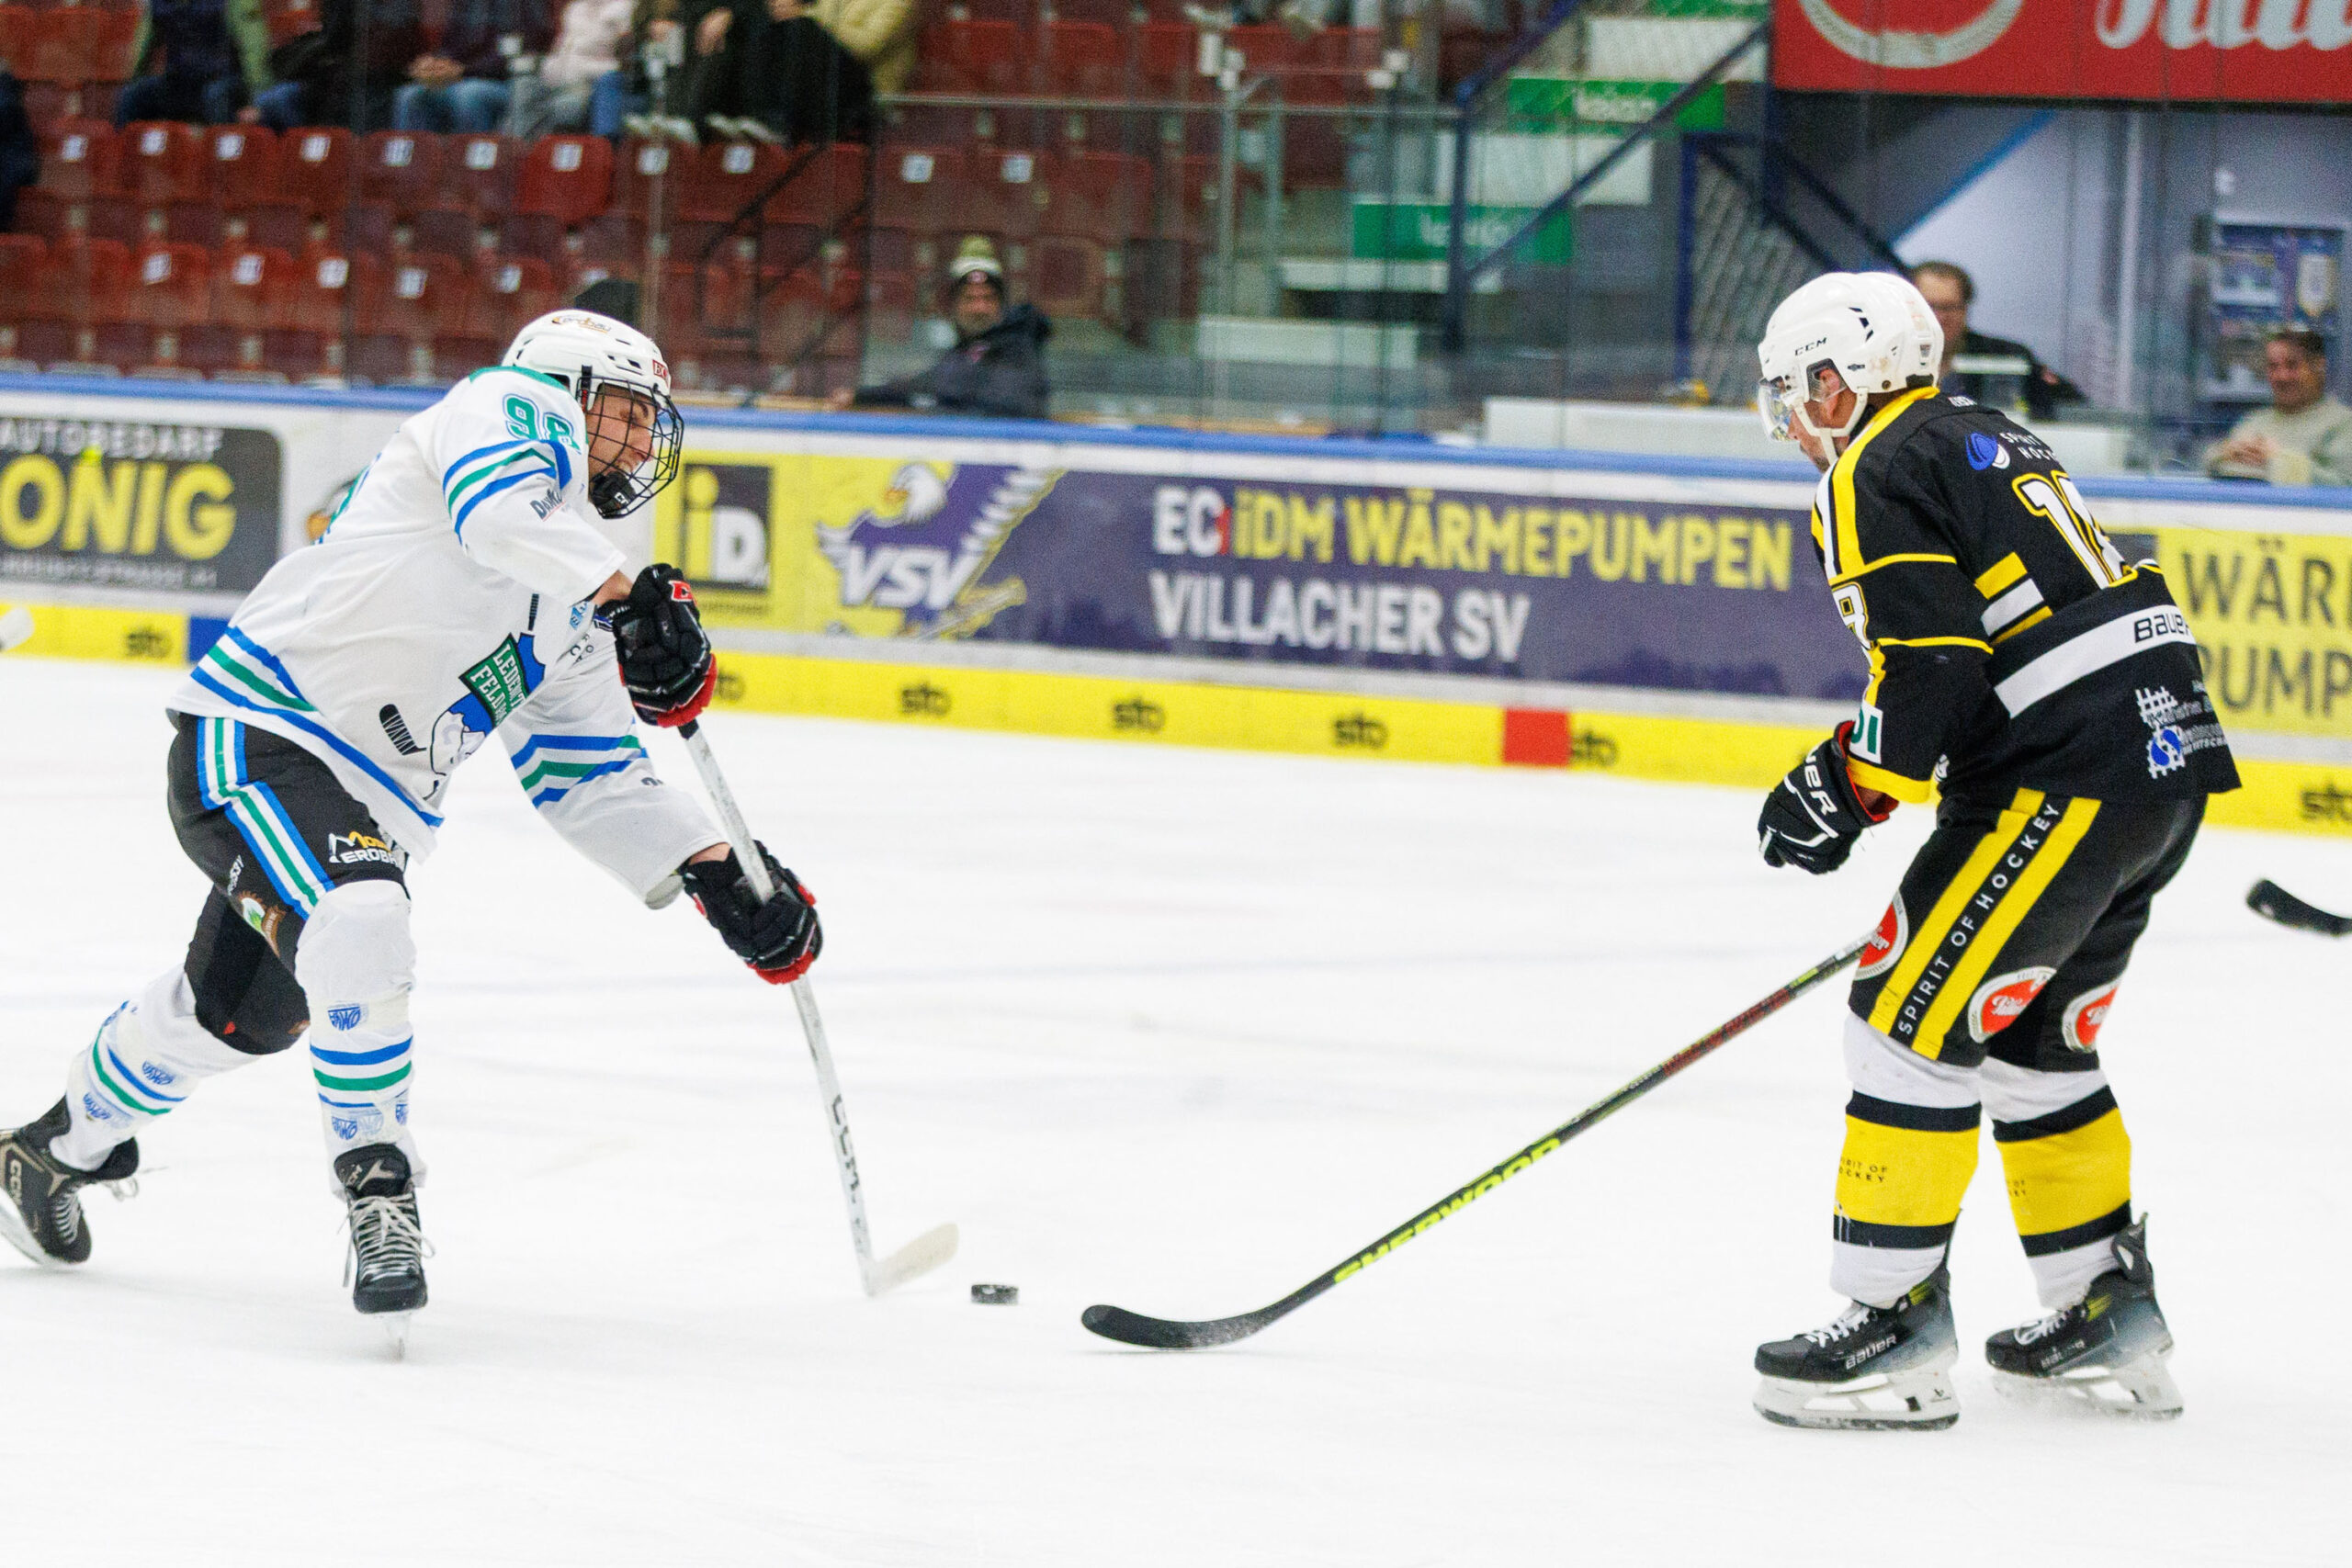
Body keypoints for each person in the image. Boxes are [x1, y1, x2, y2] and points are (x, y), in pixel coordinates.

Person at [0, 311, 821, 1328]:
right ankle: (378, 1184)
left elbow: (587, 774)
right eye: (624, 411)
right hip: (261, 735)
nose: (640, 440)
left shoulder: (571, 598)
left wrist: (718, 869)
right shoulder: (499, 409)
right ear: (566, 393)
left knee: (238, 1016)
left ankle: (52, 1150)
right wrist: (625, 595)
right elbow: (496, 511)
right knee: (361, 913)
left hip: (357, 810)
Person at [1747, 272, 2237, 1430]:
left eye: (1794, 393)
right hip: (2159, 763)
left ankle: (1890, 1328)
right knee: (2027, 1040)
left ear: (1838, 380)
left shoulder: (1870, 466)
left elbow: (1932, 663)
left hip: (2062, 778)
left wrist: (1848, 782)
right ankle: (2102, 1308)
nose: (1791, 422)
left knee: (1901, 1023)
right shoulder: (1983, 430)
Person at [831, 239, 1050, 420]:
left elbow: (963, 394)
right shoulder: (967, 352)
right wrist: (861, 396)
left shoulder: (1020, 348)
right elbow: (924, 384)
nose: (979, 308)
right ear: (953, 306)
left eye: (988, 298)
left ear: (1001, 305)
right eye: (969, 299)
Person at [1910, 260, 2083, 423]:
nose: (1939, 317)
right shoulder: (1894, 356)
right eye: (1929, 307)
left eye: (1949, 307)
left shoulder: (2008, 356)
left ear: (1966, 308)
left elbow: (2072, 405)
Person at [252, 0, 426, 132]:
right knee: (273, 100)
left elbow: (393, 41)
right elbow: (332, 37)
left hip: (380, 79)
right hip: (336, 76)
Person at [2204, 330, 2350, 487]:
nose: (2282, 376)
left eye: (2292, 365)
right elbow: (2211, 468)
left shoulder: (2342, 424)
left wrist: (2277, 459)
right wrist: (2225, 453)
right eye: (2273, 367)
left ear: (2318, 366)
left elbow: (2344, 485)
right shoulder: (2254, 421)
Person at [391, 0, 557, 135]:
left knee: (469, 95)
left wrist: (463, 70)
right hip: (460, 79)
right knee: (409, 95)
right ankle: (414, 165)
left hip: (507, 83)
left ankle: (473, 164)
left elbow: (528, 48)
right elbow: (449, 46)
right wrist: (436, 64)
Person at [117, 0, 273, 128]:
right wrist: (133, 79)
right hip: (180, 82)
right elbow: (142, 48)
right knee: (133, 96)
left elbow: (253, 48)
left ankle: (223, 155)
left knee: (215, 96)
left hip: (225, 81)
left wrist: (257, 100)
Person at [509, 0, 632, 138]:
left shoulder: (623, 8)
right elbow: (562, 45)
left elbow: (622, 62)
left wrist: (585, 70)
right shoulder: (575, 8)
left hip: (588, 81)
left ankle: (550, 145)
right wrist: (549, 64)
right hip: (557, 75)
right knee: (524, 86)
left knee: (567, 107)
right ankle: (521, 145)